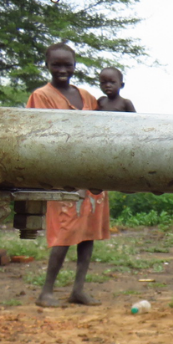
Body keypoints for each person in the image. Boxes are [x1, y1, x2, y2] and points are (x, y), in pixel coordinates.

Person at [27, 43, 110, 308]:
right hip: (63, 176)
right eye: (56, 65)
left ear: (75, 66)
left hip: (91, 175)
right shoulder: (41, 96)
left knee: (87, 234)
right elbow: (40, 134)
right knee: (63, 232)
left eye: (68, 65)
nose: (62, 70)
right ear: (47, 65)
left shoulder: (87, 97)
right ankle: (46, 292)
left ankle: (78, 289)